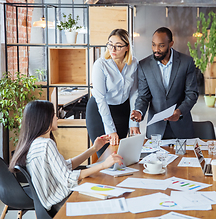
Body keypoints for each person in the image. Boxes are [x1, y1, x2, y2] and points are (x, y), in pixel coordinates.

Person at [9, 100, 123, 216]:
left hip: (51, 203)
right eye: (53, 115)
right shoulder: (46, 144)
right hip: (60, 202)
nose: (56, 118)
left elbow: (65, 166)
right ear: (44, 118)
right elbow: (68, 178)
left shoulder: (35, 143)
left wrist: (94, 148)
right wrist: (103, 165)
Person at [131, 27, 199, 139]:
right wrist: (139, 111)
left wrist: (179, 112)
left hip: (181, 127)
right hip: (156, 129)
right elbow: (143, 96)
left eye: (161, 45)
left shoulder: (186, 62)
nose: (156, 49)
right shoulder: (144, 65)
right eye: (153, 45)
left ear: (171, 44)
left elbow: (192, 94)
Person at [86, 29, 140, 157]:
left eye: (118, 46)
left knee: (118, 153)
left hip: (122, 110)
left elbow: (134, 93)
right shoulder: (100, 65)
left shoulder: (134, 63)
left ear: (127, 47)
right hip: (99, 111)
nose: (113, 49)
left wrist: (133, 122)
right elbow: (101, 99)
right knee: (105, 155)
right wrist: (110, 130)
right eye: (110, 44)